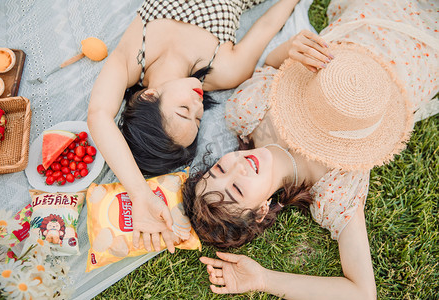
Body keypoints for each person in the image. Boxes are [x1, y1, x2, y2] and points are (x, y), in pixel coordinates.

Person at [182, 0, 438, 298]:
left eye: (220, 168)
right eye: (238, 188)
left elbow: (270, 66)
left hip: (363, 20)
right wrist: (265, 279)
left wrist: (291, 48)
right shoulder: (332, 190)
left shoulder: (247, 112)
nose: (238, 166)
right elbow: (362, 292)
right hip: (417, 56)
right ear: (262, 210)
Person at [87, 0, 303, 253]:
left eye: (183, 111)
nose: (198, 105)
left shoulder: (131, 60)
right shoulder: (226, 70)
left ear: (148, 96)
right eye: (198, 119)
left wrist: (140, 194)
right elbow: (266, 25)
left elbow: (99, 114)